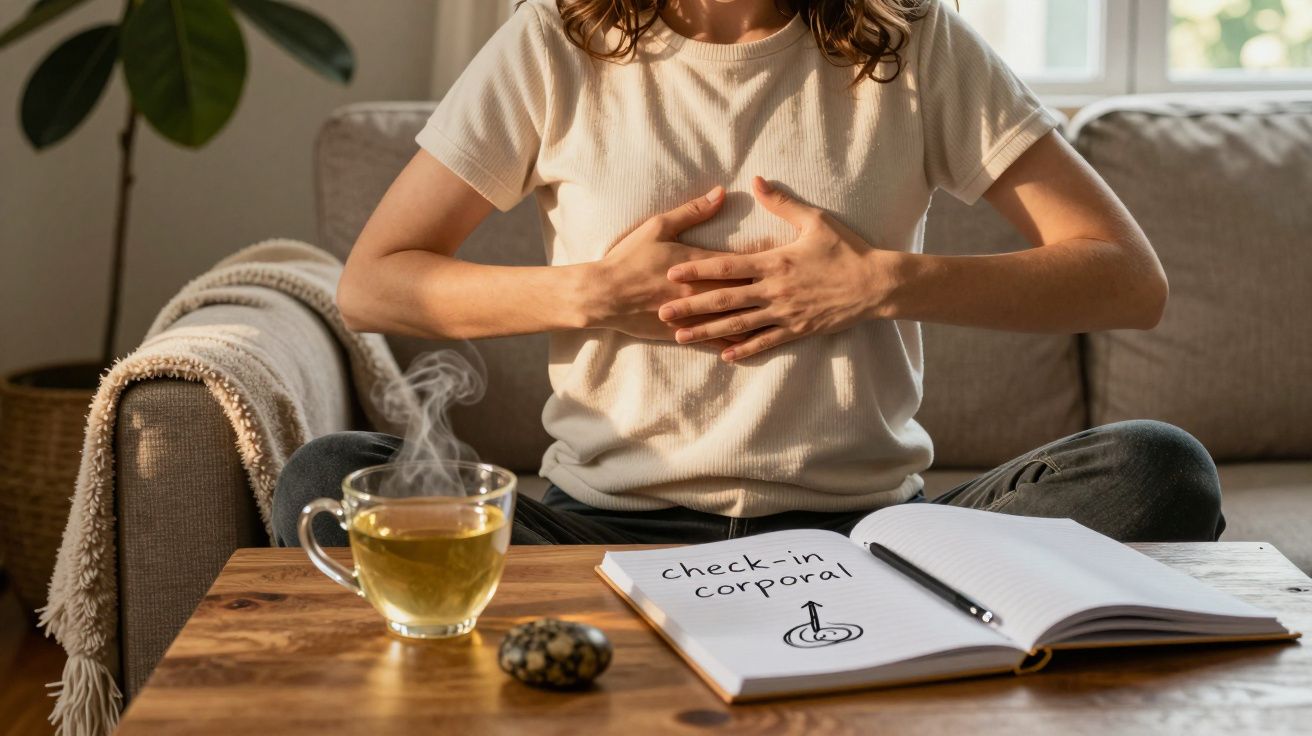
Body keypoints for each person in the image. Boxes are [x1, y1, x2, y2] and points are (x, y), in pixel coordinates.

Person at [273, 0, 1224, 547]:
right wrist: (590, 294)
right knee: (325, 482)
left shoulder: (914, 41)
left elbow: (1125, 279)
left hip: (872, 539)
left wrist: (882, 282)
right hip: (601, 531)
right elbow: (375, 283)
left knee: (1155, 470)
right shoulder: (552, 43)